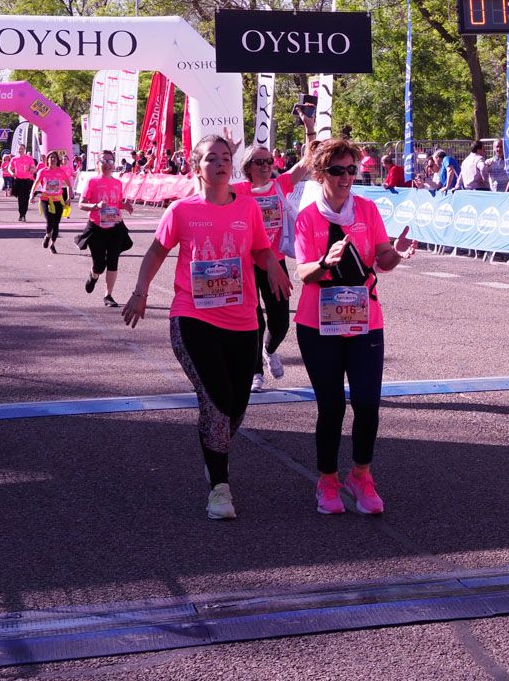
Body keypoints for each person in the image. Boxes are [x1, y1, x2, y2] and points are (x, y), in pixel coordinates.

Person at [122, 134, 290, 520]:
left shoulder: (247, 208)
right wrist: (140, 292)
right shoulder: (182, 211)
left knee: (236, 405)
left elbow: (262, 248)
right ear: (196, 166)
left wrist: (273, 264)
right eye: (211, 158)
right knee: (216, 399)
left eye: (226, 157)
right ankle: (219, 487)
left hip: (243, 320)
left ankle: (213, 453)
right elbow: (156, 251)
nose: (220, 164)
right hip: (194, 317)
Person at [294, 138, 416, 516]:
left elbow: (382, 258)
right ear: (320, 174)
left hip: (364, 320)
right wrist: (326, 263)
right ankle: (327, 480)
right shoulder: (308, 216)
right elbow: (302, 273)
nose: (347, 177)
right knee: (331, 406)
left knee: (366, 402)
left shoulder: (367, 209)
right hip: (318, 322)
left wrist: (396, 253)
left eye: (352, 170)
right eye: (338, 170)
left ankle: (361, 474)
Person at [236, 142, 311, 392]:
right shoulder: (239, 192)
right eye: (260, 162)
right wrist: (226, 147)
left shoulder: (281, 186)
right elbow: (207, 185)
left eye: (269, 161)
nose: (266, 166)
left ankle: (269, 351)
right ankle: (255, 371)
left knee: (280, 323)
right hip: (246, 263)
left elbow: (307, 161)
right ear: (248, 167)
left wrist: (310, 126)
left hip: (274, 262)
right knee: (254, 321)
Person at [78, 150, 135, 306]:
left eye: (110, 161)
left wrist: (125, 205)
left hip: (115, 226)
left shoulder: (117, 183)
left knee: (113, 260)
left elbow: (117, 203)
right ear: (98, 164)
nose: (107, 164)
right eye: (104, 161)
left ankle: (108, 295)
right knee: (99, 265)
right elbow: (81, 204)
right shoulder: (92, 182)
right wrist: (96, 206)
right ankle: (94, 275)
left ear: (114, 164)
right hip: (97, 226)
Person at [32, 151, 73, 253]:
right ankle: (47, 235)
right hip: (46, 199)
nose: (52, 159)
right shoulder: (42, 171)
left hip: (58, 200)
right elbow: (36, 184)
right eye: (50, 157)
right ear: (47, 160)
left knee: (56, 223)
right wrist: (31, 195)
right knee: (50, 221)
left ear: (57, 160)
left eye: (54, 157)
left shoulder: (61, 171)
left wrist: (68, 197)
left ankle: (53, 244)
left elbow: (68, 185)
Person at [8, 144, 37, 222]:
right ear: (17, 150)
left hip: (27, 180)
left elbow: (34, 168)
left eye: (22, 149)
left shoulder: (30, 159)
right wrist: (12, 173)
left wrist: (31, 170)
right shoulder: (14, 159)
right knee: (20, 198)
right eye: (19, 149)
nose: (20, 150)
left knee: (26, 198)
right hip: (18, 180)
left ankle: (23, 214)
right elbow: (9, 168)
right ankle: (21, 213)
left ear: (25, 149)